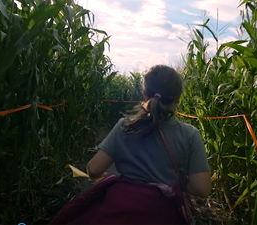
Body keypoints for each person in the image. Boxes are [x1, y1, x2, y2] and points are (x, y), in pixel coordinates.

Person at [84, 65, 211, 224]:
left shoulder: (125, 126)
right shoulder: (190, 135)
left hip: (119, 213)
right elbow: (202, 188)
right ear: (177, 99)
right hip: (163, 215)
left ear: (145, 95)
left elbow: (93, 169)